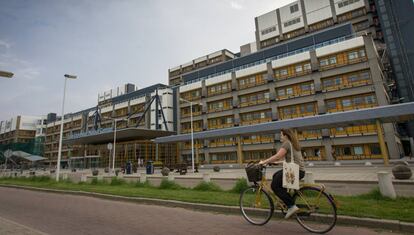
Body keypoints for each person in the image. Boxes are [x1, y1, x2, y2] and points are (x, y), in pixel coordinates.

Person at [259, 129, 306, 219]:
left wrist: (263, 162)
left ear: (286, 136)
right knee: (276, 176)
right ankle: (284, 200)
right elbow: (292, 160)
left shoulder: (287, 143)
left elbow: (277, 156)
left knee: (274, 186)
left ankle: (291, 206)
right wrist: (278, 163)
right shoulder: (293, 143)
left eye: (281, 135)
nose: (280, 137)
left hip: (294, 171)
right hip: (299, 170)